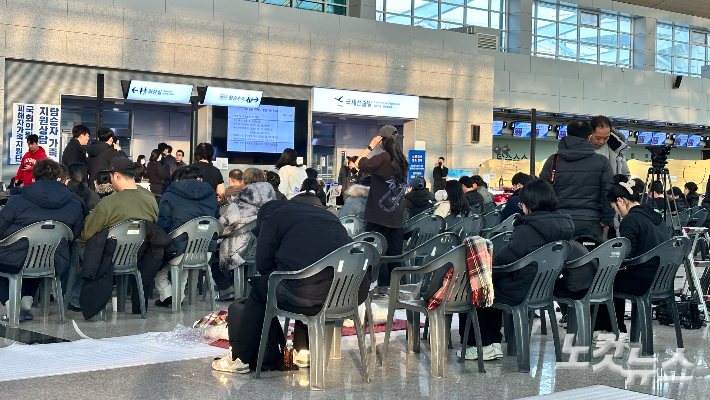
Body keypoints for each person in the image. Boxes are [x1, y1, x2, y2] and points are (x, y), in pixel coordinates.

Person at [213, 200, 353, 373]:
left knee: (261, 290)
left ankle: (239, 359)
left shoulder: (273, 218)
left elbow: (263, 266)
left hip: (310, 295)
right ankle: (304, 352)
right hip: (349, 293)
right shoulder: (327, 215)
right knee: (305, 282)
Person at [454, 179, 574, 360]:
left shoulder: (527, 230)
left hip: (519, 289)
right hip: (544, 289)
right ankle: (493, 342)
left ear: (530, 203)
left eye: (522, 203)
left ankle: (481, 344)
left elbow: (504, 261)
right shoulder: (565, 227)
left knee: (478, 285)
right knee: (493, 283)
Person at [0, 159, 83, 321]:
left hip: (15, 256)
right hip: (53, 259)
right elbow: (75, 233)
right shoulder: (73, 204)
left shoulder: (17, 200)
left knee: (21, 255)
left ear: (34, 175)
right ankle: (27, 298)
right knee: (41, 253)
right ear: (58, 176)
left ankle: (10, 301)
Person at [593, 182, 671, 336]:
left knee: (602, 281)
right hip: (662, 280)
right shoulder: (656, 217)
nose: (618, 212)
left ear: (621, 201)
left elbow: (627, 254)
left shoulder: (631, 219)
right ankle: (617, 328)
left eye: (616, 208)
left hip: (642, 282)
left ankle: (609, 330)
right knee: (616, 278)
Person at [153, 165, 220, 308]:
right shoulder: (211, 195)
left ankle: (168, 294)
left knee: (155, 261)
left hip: (179, 252)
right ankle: (178, 296)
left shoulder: (169, 195)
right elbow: (217, 220)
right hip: (205, 252)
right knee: (181, 257)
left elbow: (163, 225)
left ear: (178, 180)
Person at [538, 121, 614, 243]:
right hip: (591, 222)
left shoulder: (553, 160)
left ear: (567, 135)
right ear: (589, 137)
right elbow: (608, 192)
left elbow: (541, 191)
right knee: (589, 260)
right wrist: (607, 219)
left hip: (559, 221)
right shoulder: (602, 161)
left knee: (559, 259)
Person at [355, 126, 409, 295]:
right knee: (393, 255)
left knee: (374, 253)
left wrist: (370, 146)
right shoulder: (402, 160)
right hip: (396, 215)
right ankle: (392, 289)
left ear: (381, 140)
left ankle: (372, 288)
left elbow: (358, 163)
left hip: (378, 215)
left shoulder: (382, 158)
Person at [217, 169, 276, 299]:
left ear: (244, 182)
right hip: (265, 251)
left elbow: (221, 227)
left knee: (213, 253)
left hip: (238, 252)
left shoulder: (238, 204)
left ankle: (228, 287)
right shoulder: (274, 204)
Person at [80, 158, 159, 242]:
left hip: (112, 253)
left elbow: (85, 234)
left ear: (117, 176)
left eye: (111, 177)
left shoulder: (107, 203)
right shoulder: (151, 201)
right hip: (141, 252)